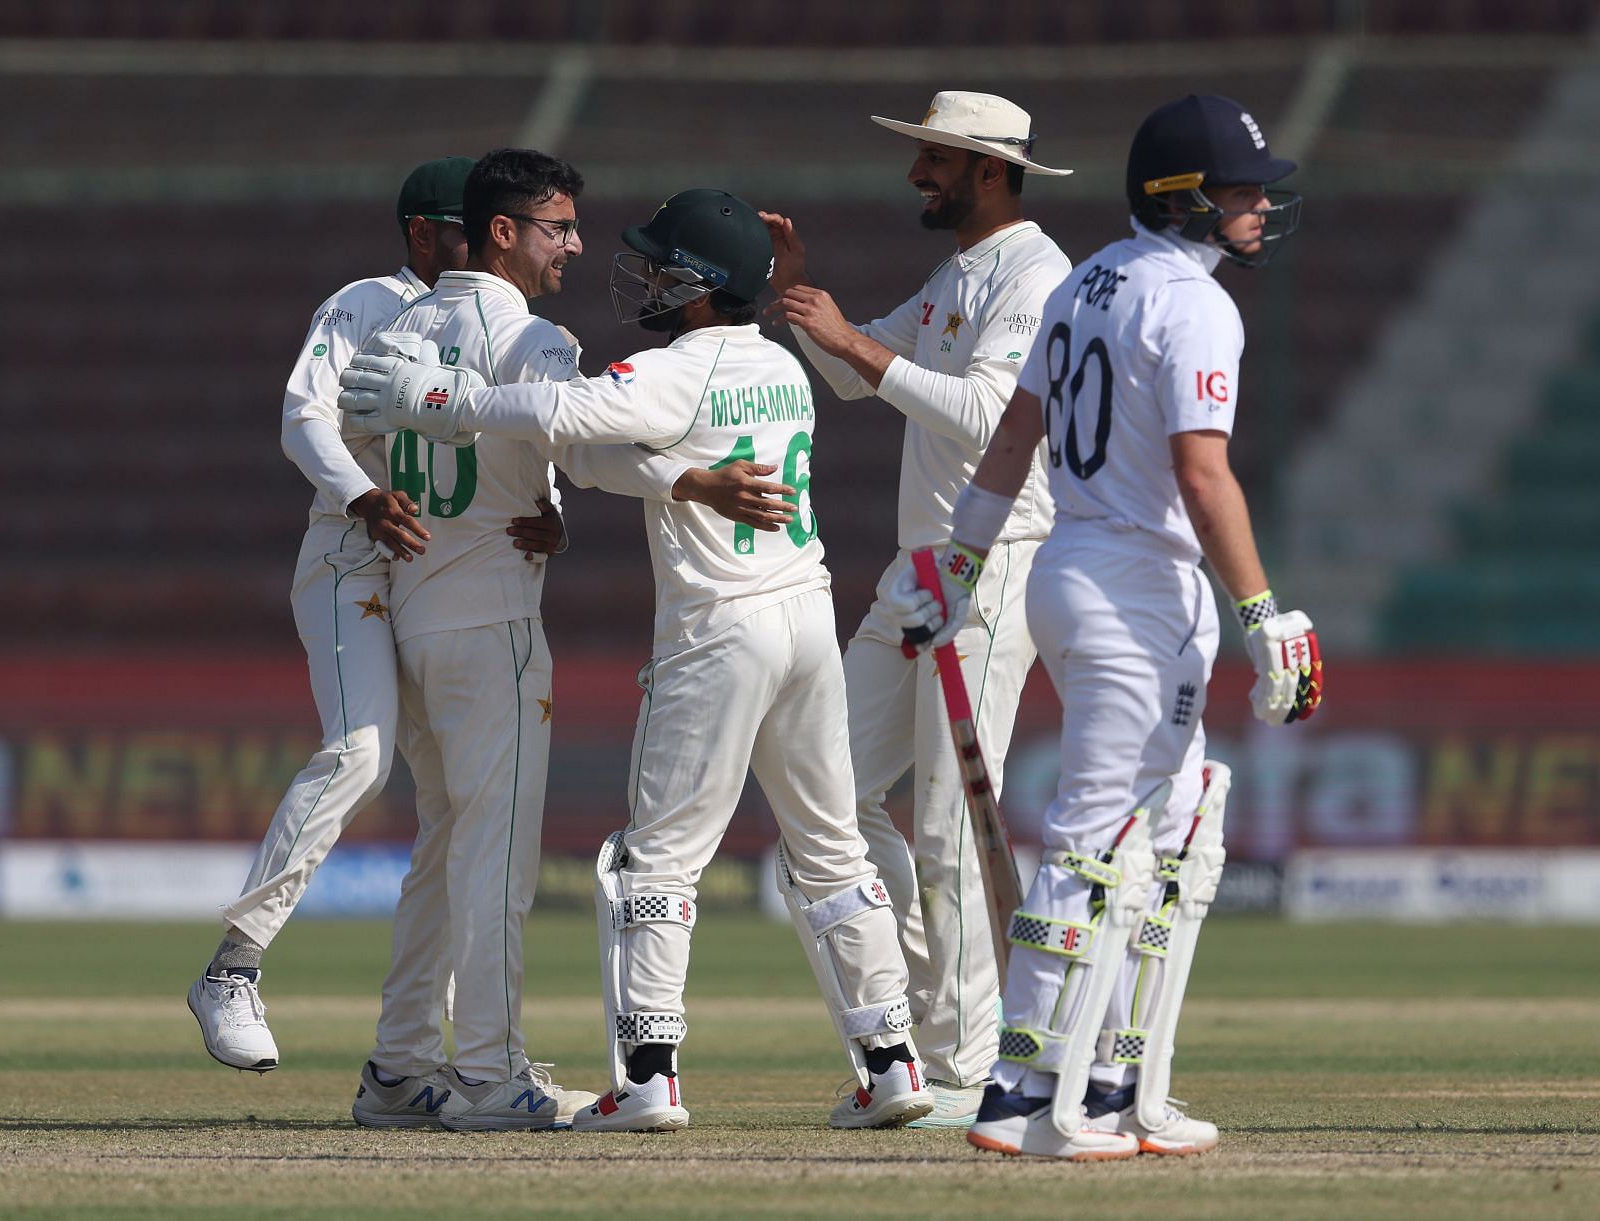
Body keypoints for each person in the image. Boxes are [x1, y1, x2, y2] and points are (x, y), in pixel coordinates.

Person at [337, 188, 934, 1133]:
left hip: (716, 636)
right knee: (831, 851)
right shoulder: (779, 367)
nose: (647, 279)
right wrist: (676, 475)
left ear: (699, 286)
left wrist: (432, 397)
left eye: (664, 267)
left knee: (652, 863)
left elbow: (562, 410)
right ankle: (892, 1061)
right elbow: (612, 458)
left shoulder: (679, 366)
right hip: (808, 620)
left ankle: (649, 1078)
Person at [896, 94, 1322, 1161]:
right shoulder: (1192, 302)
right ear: (1184, 198)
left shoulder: (1085, 281)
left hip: (1069, 566)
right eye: (1239, 190)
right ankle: (1018, 1093)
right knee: (1095, 837)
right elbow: (1201, 470)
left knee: (1177, 835)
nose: (1259, 206)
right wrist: (1266, 611)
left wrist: (960, 563)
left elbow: (1011, 441)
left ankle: (1122, 1085)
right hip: (1140, 584)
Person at [187, 156, 569, 1076]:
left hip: (430, 575)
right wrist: (360, 496)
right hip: (349, 555)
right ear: (420, 234)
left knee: (447, 815)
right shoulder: (366, 302)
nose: (469, 247)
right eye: (454, 232)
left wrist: (553, 502)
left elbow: (514, 429)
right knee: (360, 750)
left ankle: (408, 1060)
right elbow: (301, 416)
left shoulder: (484, 317)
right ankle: (233, 965)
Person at [756, 91, 1075, 1128]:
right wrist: (811, 312)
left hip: (990, 565)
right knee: (827, 793)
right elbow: (857, 382)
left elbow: (992, 414)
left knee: (951, 827)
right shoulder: (957, 273)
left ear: (989, 169)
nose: (915, 177)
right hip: (918, 572)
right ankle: (922, 1029)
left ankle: (971, 1060)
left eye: (933, 160)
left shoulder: (1035, 272)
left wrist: (857, 345)